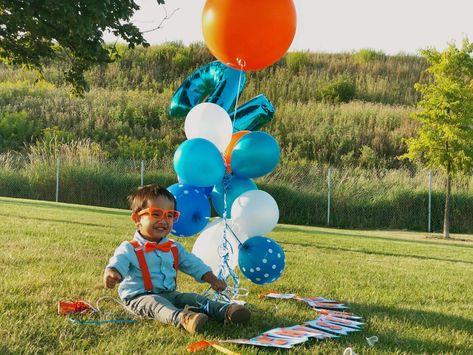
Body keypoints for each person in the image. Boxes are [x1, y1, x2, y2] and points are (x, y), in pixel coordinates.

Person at [103, 184, 250, 334]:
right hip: (139, 297)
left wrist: (211, 278)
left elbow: (193, 264)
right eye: (156, 214)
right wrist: (112, 273)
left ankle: (226, 311)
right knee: (156, 304)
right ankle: (183, 319)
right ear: (137, 218)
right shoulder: (129, 248)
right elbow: (118, 261)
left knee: (192, 298)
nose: (163, 220)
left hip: (171, 294)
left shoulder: (173, 247)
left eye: (169, 215)